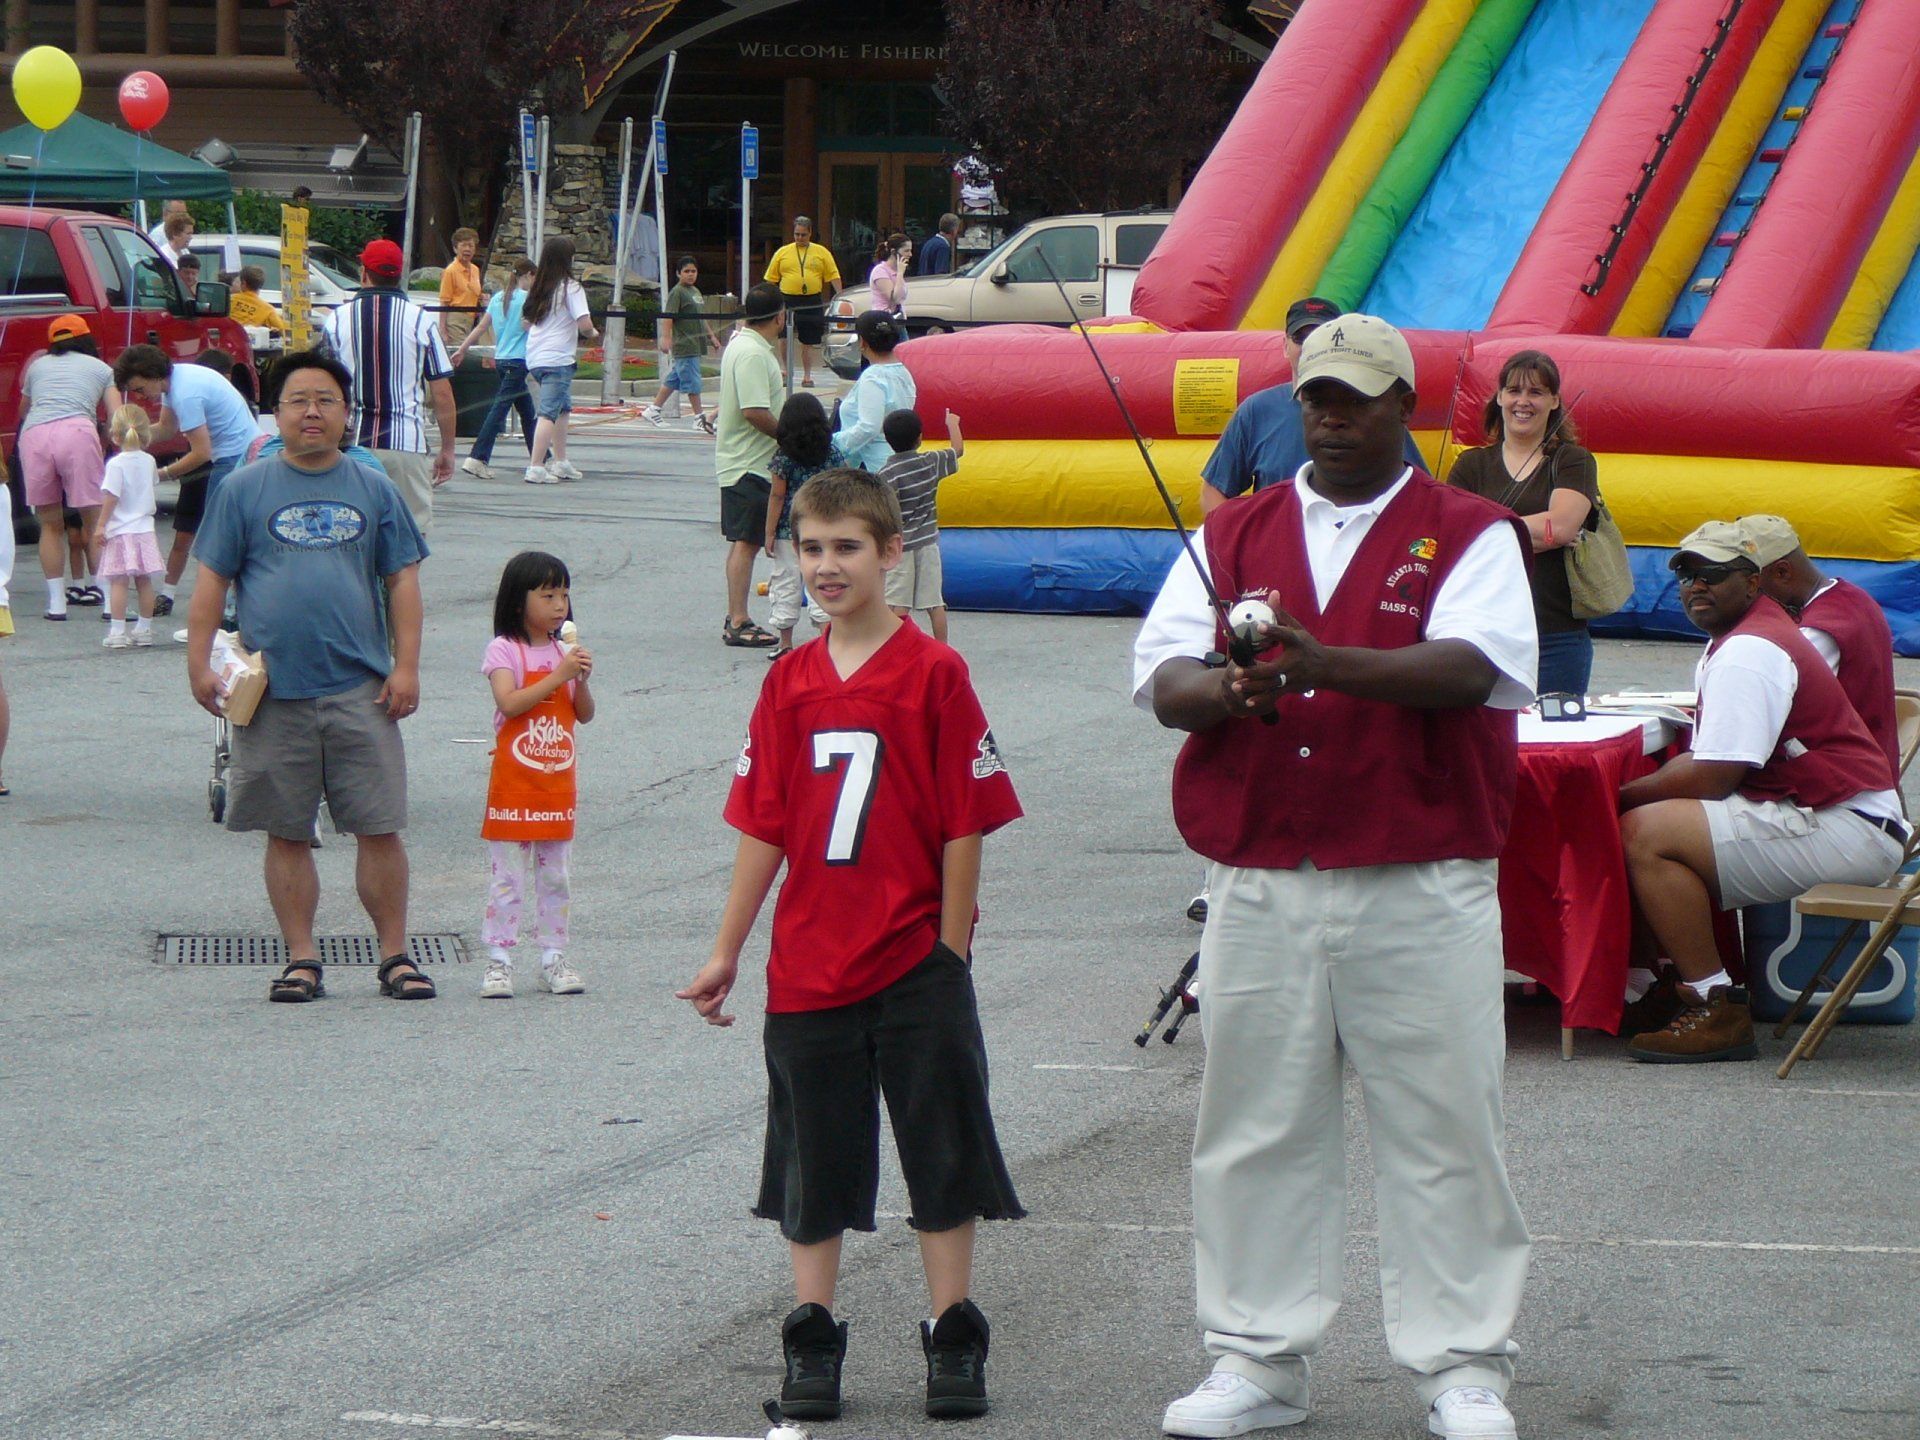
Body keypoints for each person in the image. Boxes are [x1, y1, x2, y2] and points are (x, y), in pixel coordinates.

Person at [1135, 315, 1537, 1440]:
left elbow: (1477, 668)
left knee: (1446, 1125)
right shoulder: (1235, 528)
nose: (1333, 416)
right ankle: (1257, 1357)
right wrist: (1228, 694)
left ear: (1403, 407)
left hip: (1422, 872)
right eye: (1317, 396)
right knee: (1255, 1125)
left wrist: (1322, 665)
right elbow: (1162, 676)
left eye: (1358, 398)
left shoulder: (1471, 531)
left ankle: (1463, 1366)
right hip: (1262, 874)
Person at [676, 466, 1025, 1423]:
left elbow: (965, 822)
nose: (828, 566)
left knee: (939, 1148)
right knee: (813, 1158)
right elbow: (765, 825)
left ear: (889, 554)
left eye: (848, 548)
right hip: (811, 961)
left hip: (913, 960)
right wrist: (727, 950)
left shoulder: (934, 673)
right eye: (813, 547)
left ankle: (953, 1331)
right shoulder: (787, 680)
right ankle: (812, 1331)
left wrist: (949, 952)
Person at [185, 350, 431, 1004]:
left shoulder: (374, 488)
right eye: (298, 400)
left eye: (326, 400)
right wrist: (198, 663)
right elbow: (210, 582)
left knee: (379, 825)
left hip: (363, 688)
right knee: (286, 829)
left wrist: (406, 666)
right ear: (277, 413)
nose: (312, 412)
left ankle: (396, 956)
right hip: (271, 693)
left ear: (347, 414)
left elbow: (401, 579)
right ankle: (301, 959)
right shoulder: (243, 490)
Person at [1617, 520, 1905, 1062]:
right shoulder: (1752, 631)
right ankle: (1666, 986)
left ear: (1754, 583)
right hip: (1843, 813)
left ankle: (1716, 1004)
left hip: (1851, 826)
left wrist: (1619, 793)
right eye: (1684, 576)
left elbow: (1714, 776)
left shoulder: (1751, 648)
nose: (1694, 586)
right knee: (1653, 828)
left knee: (1642, 831)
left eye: (1712, 574)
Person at [1447, 349, 1600, 696]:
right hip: (1483, 634)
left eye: (1536, 392)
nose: (1523, 402)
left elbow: (1560, 527)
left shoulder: (1574, 461)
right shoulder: (1471, 466)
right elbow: (1450, 537)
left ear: (1554, 400)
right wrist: (1537, 532)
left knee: (1555, 741)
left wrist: (1483, 534)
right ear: (1500, 397)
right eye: (1514, 391)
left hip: (1557, 638)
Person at [480, 550, 596, 999]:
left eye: (564, 595)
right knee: (508, 877)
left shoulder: (563, 651)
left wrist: (579, 678)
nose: (558, 606)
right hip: (514, 783)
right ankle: (498, 958)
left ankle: (553, 954)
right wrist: (558, 674)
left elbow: (583, 715)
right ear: (517, 600)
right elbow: (509, 703)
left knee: (556, 876)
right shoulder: (503, 650)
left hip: (556, 784)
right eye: (547, 595)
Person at [1200, 296, 1424, 519]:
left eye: (1319, 336)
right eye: (1300, 337)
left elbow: (1417, 486)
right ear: (1285, 346)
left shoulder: (1375, 414)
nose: (1309, 346)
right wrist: (1236, 543)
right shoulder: (1256, 411)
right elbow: (1214, 491)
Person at [1742, 512, 1900, 776]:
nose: (1747, 598)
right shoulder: (1852, 596)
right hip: (1869, 768)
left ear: (1781, 572)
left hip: (1840, 782)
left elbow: (1764, 715)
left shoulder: (1817, 632)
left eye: (1752, 587)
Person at [112, 343, 259, 618]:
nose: (141, 397)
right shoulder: (177, 379)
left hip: (234, 458)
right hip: (236, 453)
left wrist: (159, 475)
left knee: (218, 540)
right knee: (222, 537)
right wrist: (131, 439)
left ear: (153, 375)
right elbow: (166, 429)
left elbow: (201, 453)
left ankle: (226, 613)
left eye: (140, 389)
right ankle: (230, 610)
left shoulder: (185, 393)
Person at [319, 237, 456, 530]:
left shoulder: (338, 320)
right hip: (406, 442)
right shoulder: (421, 320)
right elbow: (442, 393)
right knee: (410, 534)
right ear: (399, 275)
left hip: (351, 443)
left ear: (364, 273)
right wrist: (448, 448)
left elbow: (322, 387)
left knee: (352, 530)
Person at [20, 314, 117, 620]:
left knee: (50, 524)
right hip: (77, 432)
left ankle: (56, 604)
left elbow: (25, 409)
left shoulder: (37, 366)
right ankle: (107, 603)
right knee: (94, 522)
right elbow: (116, 415)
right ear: (86, 339)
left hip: (35, 435)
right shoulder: (101, 369)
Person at [716, 283, 788, 648]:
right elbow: (754, 410)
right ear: (780, 316)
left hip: (745, 461)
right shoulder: (754, 354)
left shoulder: (744, 345)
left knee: (744, 542)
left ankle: (736, 616)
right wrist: (789, 437)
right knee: (746, 542)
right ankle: (739, 619)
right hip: (750, 463)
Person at [765, 393, 841, 656]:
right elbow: (839, 484)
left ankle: (785, 642)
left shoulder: (783, 456)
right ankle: (826, 640)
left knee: (786, 581)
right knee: (822, 578)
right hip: (822, 526)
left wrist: (769, 531)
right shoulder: (831, 452)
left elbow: (777, 495)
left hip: (789, 529)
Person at [519, 235, 599, 486]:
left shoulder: (540, 287)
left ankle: (561, 461)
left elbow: (525, 323)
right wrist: (594, 334)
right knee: (548, 413)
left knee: (562, 409)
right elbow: (584, 324)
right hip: (558, 359)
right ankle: (536, 466)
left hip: (536, 356)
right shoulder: (571, 287)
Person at [879, 407, 963, 645]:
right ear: (920, 437)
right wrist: (952, 423)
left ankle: (894, 650)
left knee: (898, 604)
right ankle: (942, 649)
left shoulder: (886, 474)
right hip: (927, 544)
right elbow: (958, 450)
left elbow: (886, 513)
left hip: (900, 548)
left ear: (887, 440)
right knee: (934, 604)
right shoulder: (930, 462)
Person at [455, 257, 536, 479]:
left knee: (527, 412)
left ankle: (542, 457)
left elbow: (482, 326)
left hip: (501, 359)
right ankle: (477, 457)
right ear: (528, 275)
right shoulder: (527, 300)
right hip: (519, 361)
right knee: (498, 410)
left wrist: (462, 348)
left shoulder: (499, 298)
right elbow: (529, 327)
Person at [94, 404, 164, 650]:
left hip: (121, 529)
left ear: (114, 435)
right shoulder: (149, 461)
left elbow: (111, 496)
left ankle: (117, 631)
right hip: (145, 529)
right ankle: (144, 629)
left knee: (119, 582)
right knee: (145, 581)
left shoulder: (115, 464)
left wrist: (101, 525)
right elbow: (152, 484)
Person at [764, 215, 842, 387]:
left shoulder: (821, 252)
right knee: (783, 336)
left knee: (809, 340)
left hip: (812, 300)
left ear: (810, 233)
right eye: (796, 234)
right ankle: (785, 370)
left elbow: (833, 275)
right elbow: (771, 278)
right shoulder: (783, 252)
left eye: (803, 235)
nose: (799, 238)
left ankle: (807, 375)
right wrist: (772, 299)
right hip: (787, 298)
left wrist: (840, 295)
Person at [835, 311, 916, 473]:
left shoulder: (873, 377)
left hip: (879, 469)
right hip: (901, 463)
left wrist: (832, 443)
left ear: (862, 342)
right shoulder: (904, 373)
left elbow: (869, 427)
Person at [644, 255, 714, 433]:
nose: (690, 275)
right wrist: (666, 338)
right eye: (686, 271)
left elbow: (701, 317)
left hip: (696, 343)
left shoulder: (695, 292)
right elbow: (669, 317)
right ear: (678, 273)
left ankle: (654, 409)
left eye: (693, 271)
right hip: (685, 344)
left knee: (674, 378)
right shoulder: (677, 292)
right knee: (693, 381)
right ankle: (699, 418)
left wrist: (711, 337)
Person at [438, 227, 484, 346]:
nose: (467, 249)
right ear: (455, 248)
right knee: (460, 356)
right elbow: (444, 302)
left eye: (471, 246)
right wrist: (442, 330)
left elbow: (474, 293)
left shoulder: (475, 270)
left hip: (471, 320)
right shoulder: (450, 271)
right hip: (455, 320)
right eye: (463, 245)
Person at [868, 233, 912, 344]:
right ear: (893, 252)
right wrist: (900, 274)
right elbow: (895, 298)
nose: (910, 254)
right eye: (906, 251)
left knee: (904, 355)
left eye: (910, 250)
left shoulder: (896, 271)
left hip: (898, 322)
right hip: (884, 324)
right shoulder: (880, 271)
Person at [228, 266, 288, 334]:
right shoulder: (267, 310)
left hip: (227, 339)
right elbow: (283, 332)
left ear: (243, 283)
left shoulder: (229, 299)